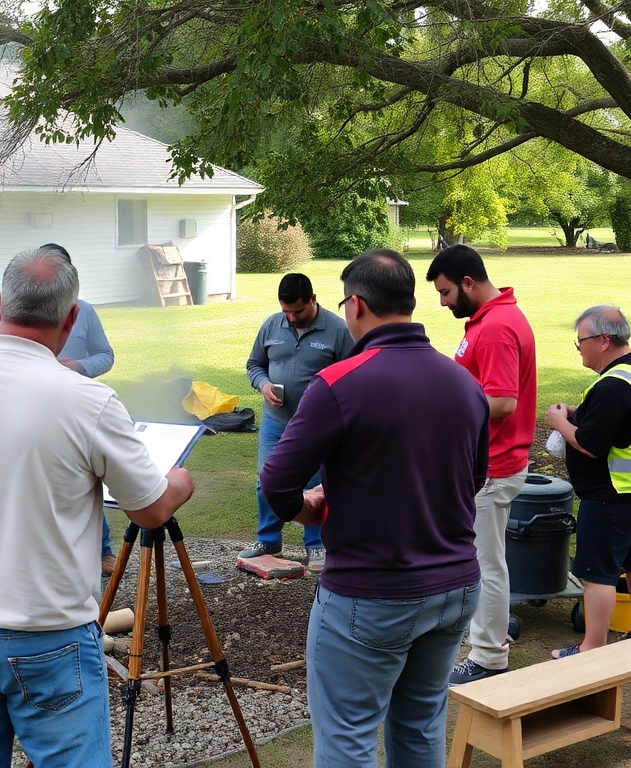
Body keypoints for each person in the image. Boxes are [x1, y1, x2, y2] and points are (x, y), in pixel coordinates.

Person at [0, 247, 194, 767]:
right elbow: (152, 512)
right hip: (45, 633)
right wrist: (177, 483)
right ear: (72, 319)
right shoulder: (88, 401)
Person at [261, 250, 489, 767]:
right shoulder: (463, 382)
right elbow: (473, 479)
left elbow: (276, 481)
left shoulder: (340, 383)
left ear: (356, 305)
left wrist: (306, 511)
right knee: (422, 723)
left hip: (372, 592)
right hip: (455, 587)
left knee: (348, 735)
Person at [425, 245, 537, 685]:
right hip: (491, 461)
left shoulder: (494, 329)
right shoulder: (495, 318)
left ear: (468, 282)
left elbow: (503, 401)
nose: (444, 302)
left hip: (490, 465)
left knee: (484, 563)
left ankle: (489, 656)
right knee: (490, 559)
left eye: (447, 292)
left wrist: (446, 406)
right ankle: (495, 625)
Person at [544, 305, 631, 658]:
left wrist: (561, 424)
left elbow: (590, 445)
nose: (579, 349)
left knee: (597, 573)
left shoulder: (614, 386)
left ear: (604, 340)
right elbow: (618, 423)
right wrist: (580, 414)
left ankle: (591, 648)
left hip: (613, 495)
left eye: (581, 342)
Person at [0, 243, 122, 574]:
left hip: (70, 411)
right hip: (17, 412)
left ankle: (101, 550)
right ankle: (20, 552)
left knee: (85, 481)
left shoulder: (84, 311)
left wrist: (78, 367)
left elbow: (106, 356)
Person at [242, 272, 352, 573]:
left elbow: (351, 374)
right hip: (275, 421)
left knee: (316, 485)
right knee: (267, 481)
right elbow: (254, 364)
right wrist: (263, 384)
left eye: (298, 311)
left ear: (313, 300)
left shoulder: (337, 329)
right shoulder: (271, 325)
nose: (291, 317)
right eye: (286, 311)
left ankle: (316, 544)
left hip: (317, 425)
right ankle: (268, 540)